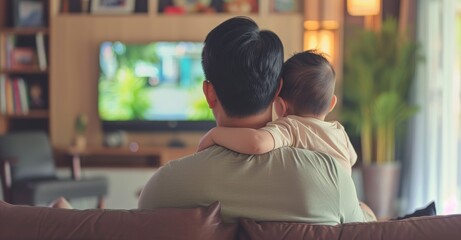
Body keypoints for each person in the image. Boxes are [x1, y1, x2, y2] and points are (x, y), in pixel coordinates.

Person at [138, 16, 375, 224]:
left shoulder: (162, 188)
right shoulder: (333, 179)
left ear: (209, 93)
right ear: (277, 90)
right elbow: (367, 228)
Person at [197, 50, 357, 175]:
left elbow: (257, 143)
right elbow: (352, 159)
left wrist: (215, 134)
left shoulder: (290, 127)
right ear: (332, 104)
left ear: (280, 104)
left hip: (316, 211)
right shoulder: (339, 131)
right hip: (343, 210)